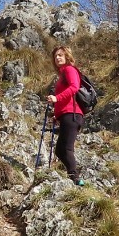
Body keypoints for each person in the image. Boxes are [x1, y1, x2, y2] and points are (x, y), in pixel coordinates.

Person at [46, 45, 83, 186]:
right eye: (55, 56)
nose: (57, 58)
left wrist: (56, 98)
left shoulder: (69, 69)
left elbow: (74, 87)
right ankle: (73, 176)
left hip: (72, 115)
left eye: (60, 55)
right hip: (66, 116)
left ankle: (76, 178)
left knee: (66, 148)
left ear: (67, 56)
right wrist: (57, 115)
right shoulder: (62, 74)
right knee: (60, 150)